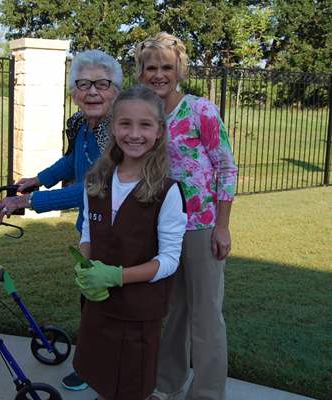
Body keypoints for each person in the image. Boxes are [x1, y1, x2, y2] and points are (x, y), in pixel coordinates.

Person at [0, 49, 122, 391]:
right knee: (89, 300)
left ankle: (106, 370)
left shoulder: (119, 132)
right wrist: (39, 178)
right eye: (83, 84)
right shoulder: (82, 124)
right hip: (89, 229)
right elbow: (72, 161)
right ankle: (93, 364)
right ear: (73, 91)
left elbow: (93, 189)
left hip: (117, 233)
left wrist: (29, 200)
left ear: (116, 90)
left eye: (102, 84)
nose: (92, 91)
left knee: (108, 305)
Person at [135, 32, 238, 400]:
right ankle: (167, 384)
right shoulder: (143, 114)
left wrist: (222, 226)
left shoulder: (200, 110)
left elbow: (226, 167)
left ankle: (208, 393)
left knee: (206, 316)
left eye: (166, 67)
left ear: (179, 69)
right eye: (151, 68)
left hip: (201, 226)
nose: (159, 74)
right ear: (141, 72)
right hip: (163, 228)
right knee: (174, 310)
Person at [73, 84, 187, 400]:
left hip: (138, 315)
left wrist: (117, 276)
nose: (134, 133)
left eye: (145, 125)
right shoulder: (94, 181)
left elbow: (169, 260)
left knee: (131, 388)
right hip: (98, 310)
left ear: (160, 131)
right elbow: (87, 235)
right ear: (113, 127)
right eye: (125, 123)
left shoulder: (167, 192)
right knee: (103, 380)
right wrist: (85, 266)